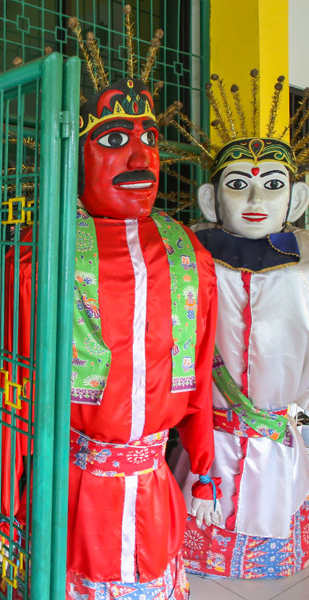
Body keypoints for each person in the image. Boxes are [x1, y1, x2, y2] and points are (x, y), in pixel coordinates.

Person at [0, 13, 222, 599]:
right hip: (76, 481)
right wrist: (3, 483)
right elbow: (19, 370)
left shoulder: (184, 247)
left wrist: (201, 454)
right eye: (115, 139)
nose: (140, 155)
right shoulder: (46, 248)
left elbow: (198, 361)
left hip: (153, 477)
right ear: (77, 155)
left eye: (148, 138)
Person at [171, 73, 309, 579]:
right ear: (211, 200)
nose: (255, 199)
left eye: (273, 185)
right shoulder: (190, 256)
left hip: (279, 424)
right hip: (208, 426)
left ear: (296, 200)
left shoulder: (306, 266)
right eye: (238, 184)